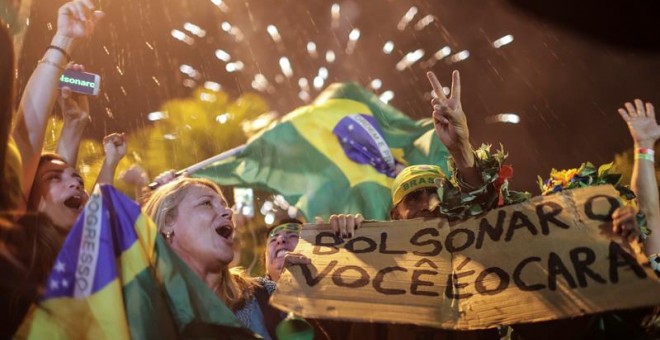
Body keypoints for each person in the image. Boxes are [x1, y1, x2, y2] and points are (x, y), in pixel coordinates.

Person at [143, 177, 310, 339]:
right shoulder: (143, 308)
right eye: (207, 203)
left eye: (225, 205)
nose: (229, 212)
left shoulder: (265, 295)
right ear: (168, 222)